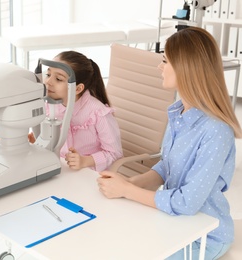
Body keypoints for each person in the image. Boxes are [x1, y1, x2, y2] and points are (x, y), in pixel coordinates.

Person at [97, 26, 242, 259]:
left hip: (205, 235)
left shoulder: (216, 131)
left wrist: (128, 190)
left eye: (165, 60)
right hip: (175, 223)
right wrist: (132, 183)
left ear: (187, 68)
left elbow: (187, 202)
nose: (159, 66)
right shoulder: (179, 113)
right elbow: (167, 166)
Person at [32, 51, 123, 172]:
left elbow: (115, 153)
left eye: (58, 79)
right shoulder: (48, 105)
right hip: (60, 168)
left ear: (78, 88)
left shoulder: (98, 113)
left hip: (89, 174)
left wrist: (85, 160)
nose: (48, 82)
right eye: (48, 74)